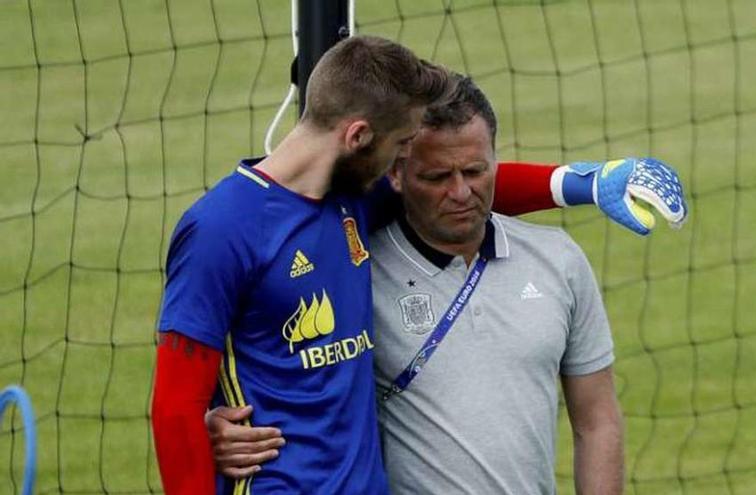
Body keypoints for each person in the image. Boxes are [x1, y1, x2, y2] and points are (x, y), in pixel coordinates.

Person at [152, 35, 686, 494]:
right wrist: (204, 431)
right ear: (359, 137)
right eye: (403, 146)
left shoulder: (350, 201)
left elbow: (469, 189)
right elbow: (174, 406)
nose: (404, 166)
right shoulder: (221, 229)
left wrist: (587, 182)